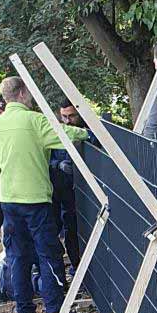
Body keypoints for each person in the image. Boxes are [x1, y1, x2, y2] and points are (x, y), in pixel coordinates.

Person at [0, 76, 69, 313]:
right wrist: (89, 134)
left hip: (9, 201)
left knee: (17, 257)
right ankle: (54, 310)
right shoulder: (35, 121)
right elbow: (64, 133)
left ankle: (24, 312)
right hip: (37, 200)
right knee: (48, 255)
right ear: (24, 93)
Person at [49, 101, 89, 277]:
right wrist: (58, 164)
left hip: (86, 191)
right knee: (69, 229)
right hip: (62, 190)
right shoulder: (55, 133)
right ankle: (75, 265)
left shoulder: (87, 131)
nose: (67, 120)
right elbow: (46, 158)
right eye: (64, 116)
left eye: (71, 116)